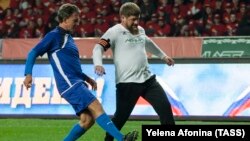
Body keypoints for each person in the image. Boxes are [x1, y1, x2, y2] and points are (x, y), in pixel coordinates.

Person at [23, 3, 138, 141]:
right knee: (96, 106)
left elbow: (71, 66)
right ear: (65, 19)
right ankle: (122, 139)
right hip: (69, 84)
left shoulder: (68, 38)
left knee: (87, 120)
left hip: (75, 81)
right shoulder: (54, 36)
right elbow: (33, 52)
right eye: (74, 20)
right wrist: (28, 74)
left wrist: (87, 78)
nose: (77, 23)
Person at [93, 2, 176, 141]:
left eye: (138, 18)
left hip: (148, 80)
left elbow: (148, 43)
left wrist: (163, 56)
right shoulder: (114, 32)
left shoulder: (141, 30)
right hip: (127, 83)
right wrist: (98, 64)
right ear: (123, 18)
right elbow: (98, 48)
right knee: (120, 118)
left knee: (165, 108)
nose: (136, 22)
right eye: (133, 19)